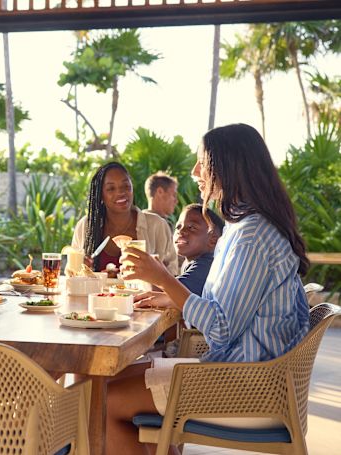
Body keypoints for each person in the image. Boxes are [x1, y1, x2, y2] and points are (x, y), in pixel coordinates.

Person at [105, 124, 310, 455]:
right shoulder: (243, 226)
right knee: (107, 380)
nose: (195, 171)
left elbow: (222, 329)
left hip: (248, 385)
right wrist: (169, 294)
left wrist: (163, 278)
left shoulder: (251, 235)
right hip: (250, 372)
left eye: (203, 162)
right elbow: (224, 309)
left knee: (104, 403)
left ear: (229, 168)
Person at [71, 162, 178, 275]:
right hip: (95, 293)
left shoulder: (157, 225)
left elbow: (173, 272)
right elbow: (72, 274)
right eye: (111, 188)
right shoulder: (85, 226)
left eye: (126, 186)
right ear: (100, 195)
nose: (120, 192)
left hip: (145, 293)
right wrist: (79, 268)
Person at [175, 203, 224, 296]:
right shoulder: (190, 262)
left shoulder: (206, 265)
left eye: (191, 227)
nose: (181, 231)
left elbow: (168, 291)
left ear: (213, 240)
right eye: (178, 227)